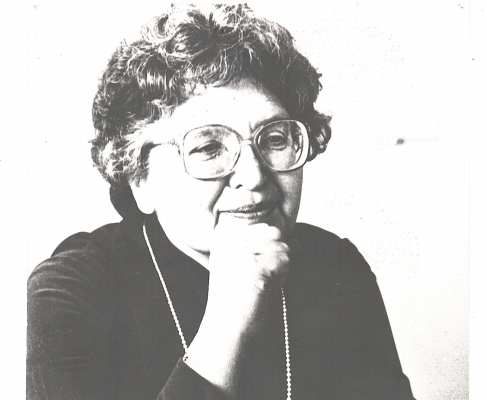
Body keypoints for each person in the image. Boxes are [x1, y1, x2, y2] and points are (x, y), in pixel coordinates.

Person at [27, 4, 415, 399]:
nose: (254, 176)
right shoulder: (73, 289)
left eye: (275, 139)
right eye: (209, 147)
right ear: (139, 178)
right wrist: (227, 323)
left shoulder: (336, 268)